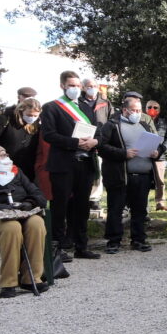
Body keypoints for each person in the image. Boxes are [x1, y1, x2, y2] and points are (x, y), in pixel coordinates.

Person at [40, 70, 101, 259]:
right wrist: (75, 143)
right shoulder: (51, 107)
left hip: (85, 163)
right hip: (63, 164)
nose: (75, 89)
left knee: (82, 206)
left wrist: (95, 142)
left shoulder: (86, 107)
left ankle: (81, 246)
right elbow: (49, 134)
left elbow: (97, 131)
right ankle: (57, 248)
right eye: (71, 85)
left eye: (77, 86)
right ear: (63, 86)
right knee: (60, 206)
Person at [98, 96, 165, 254]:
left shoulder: (145, 125)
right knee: (116, 209)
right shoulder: (112, 125)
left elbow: (159, 145)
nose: (137, 113)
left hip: (143, 176)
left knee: (140, 210)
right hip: (120, 176)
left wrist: (157, 152)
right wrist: (123, 153)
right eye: (134, 110)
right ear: (125, 110)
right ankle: (114, 241)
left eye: (139, 110)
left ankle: (138, 239)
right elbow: (101, 148)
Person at [0, 146, 48, 298]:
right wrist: (6, 208)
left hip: (23, 212)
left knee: (36, 224)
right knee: (11, 228)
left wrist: (29, 203)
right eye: (0, 155)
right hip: (2, 217)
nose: (5, 156)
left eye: (5, 153)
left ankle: (31, 277)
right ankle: (8, 282)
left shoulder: (16, 172)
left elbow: (39, 195)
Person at [82, 78, 116, 211]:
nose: (92, 88)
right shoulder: (78, 102)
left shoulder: (105, 102)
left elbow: (112, 119)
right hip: (84, 138)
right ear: (84, 87)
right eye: (89, 86)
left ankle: (95, 198)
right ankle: (84, 196)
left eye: (94, 85)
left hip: (101, 139)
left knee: (99, 170)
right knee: (86, 170)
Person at [0, 98, 41, 181]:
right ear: (21, 111)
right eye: (29, 115)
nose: (32, 118)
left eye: (35, 116)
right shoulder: (5, 120)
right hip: (4, 167)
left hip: (25, 171)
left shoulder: (36, 127)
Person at [144, 100, 167, 211]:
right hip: (143, 156)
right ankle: (143, 202)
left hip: (159, 157)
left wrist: (160, 150)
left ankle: (160, 202)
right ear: (145, 109)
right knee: (143, 181)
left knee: (160, 182)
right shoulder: (140, 121)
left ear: (159, 110)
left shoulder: (164, 123)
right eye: (150, 107)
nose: (152, 109)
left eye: (155, 107)